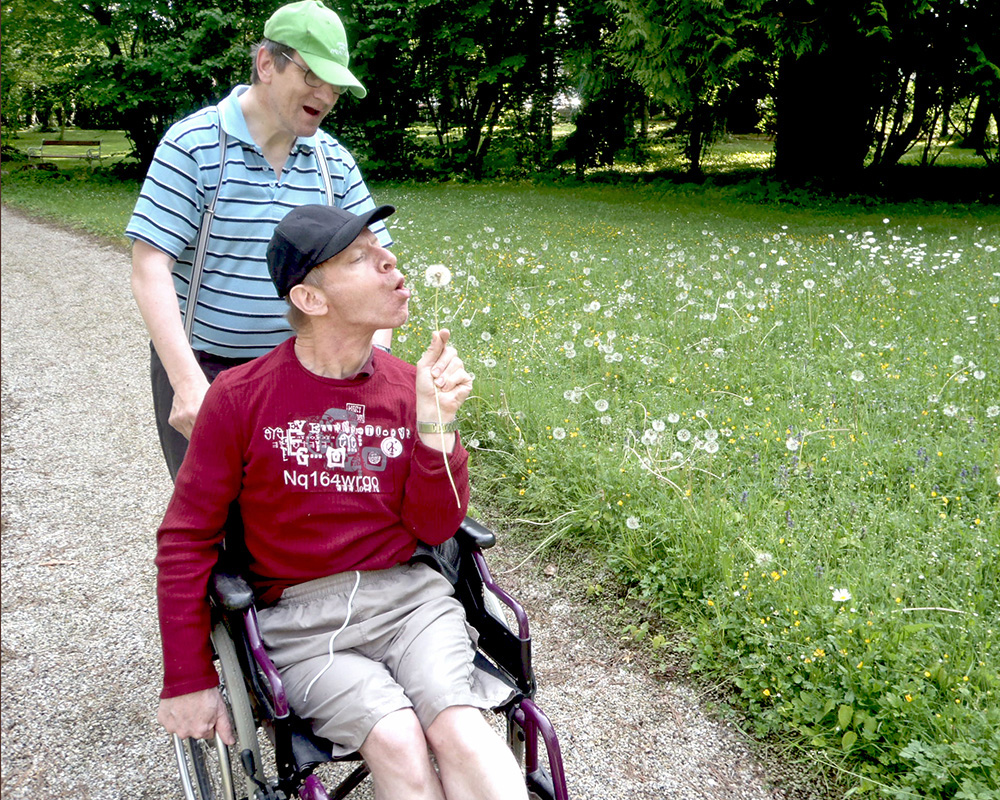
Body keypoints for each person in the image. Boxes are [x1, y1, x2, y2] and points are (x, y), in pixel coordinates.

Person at [155, 203, 529, 800]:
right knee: (398, 741)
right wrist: (188, 676)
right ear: (311, 299)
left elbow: (435, 524)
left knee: (463, 732)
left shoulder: (410, 386)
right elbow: (186, 537)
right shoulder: (240, 398)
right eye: (360, 259)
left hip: (412, 604)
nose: (392, 264)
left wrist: (436, 427)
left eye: (383, 250)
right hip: (305, 624)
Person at [126, 0, 393, 480]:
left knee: (304, 526)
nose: (327, 95)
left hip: (309, 372)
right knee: (215, 527)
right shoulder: (193, 145)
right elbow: (149, 266)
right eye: (313, 77)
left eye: (336, 85)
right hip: (208, 370)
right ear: (267, 63)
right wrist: (186, 383)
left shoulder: (334, 162)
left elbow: (379, 269)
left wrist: (378, 370)